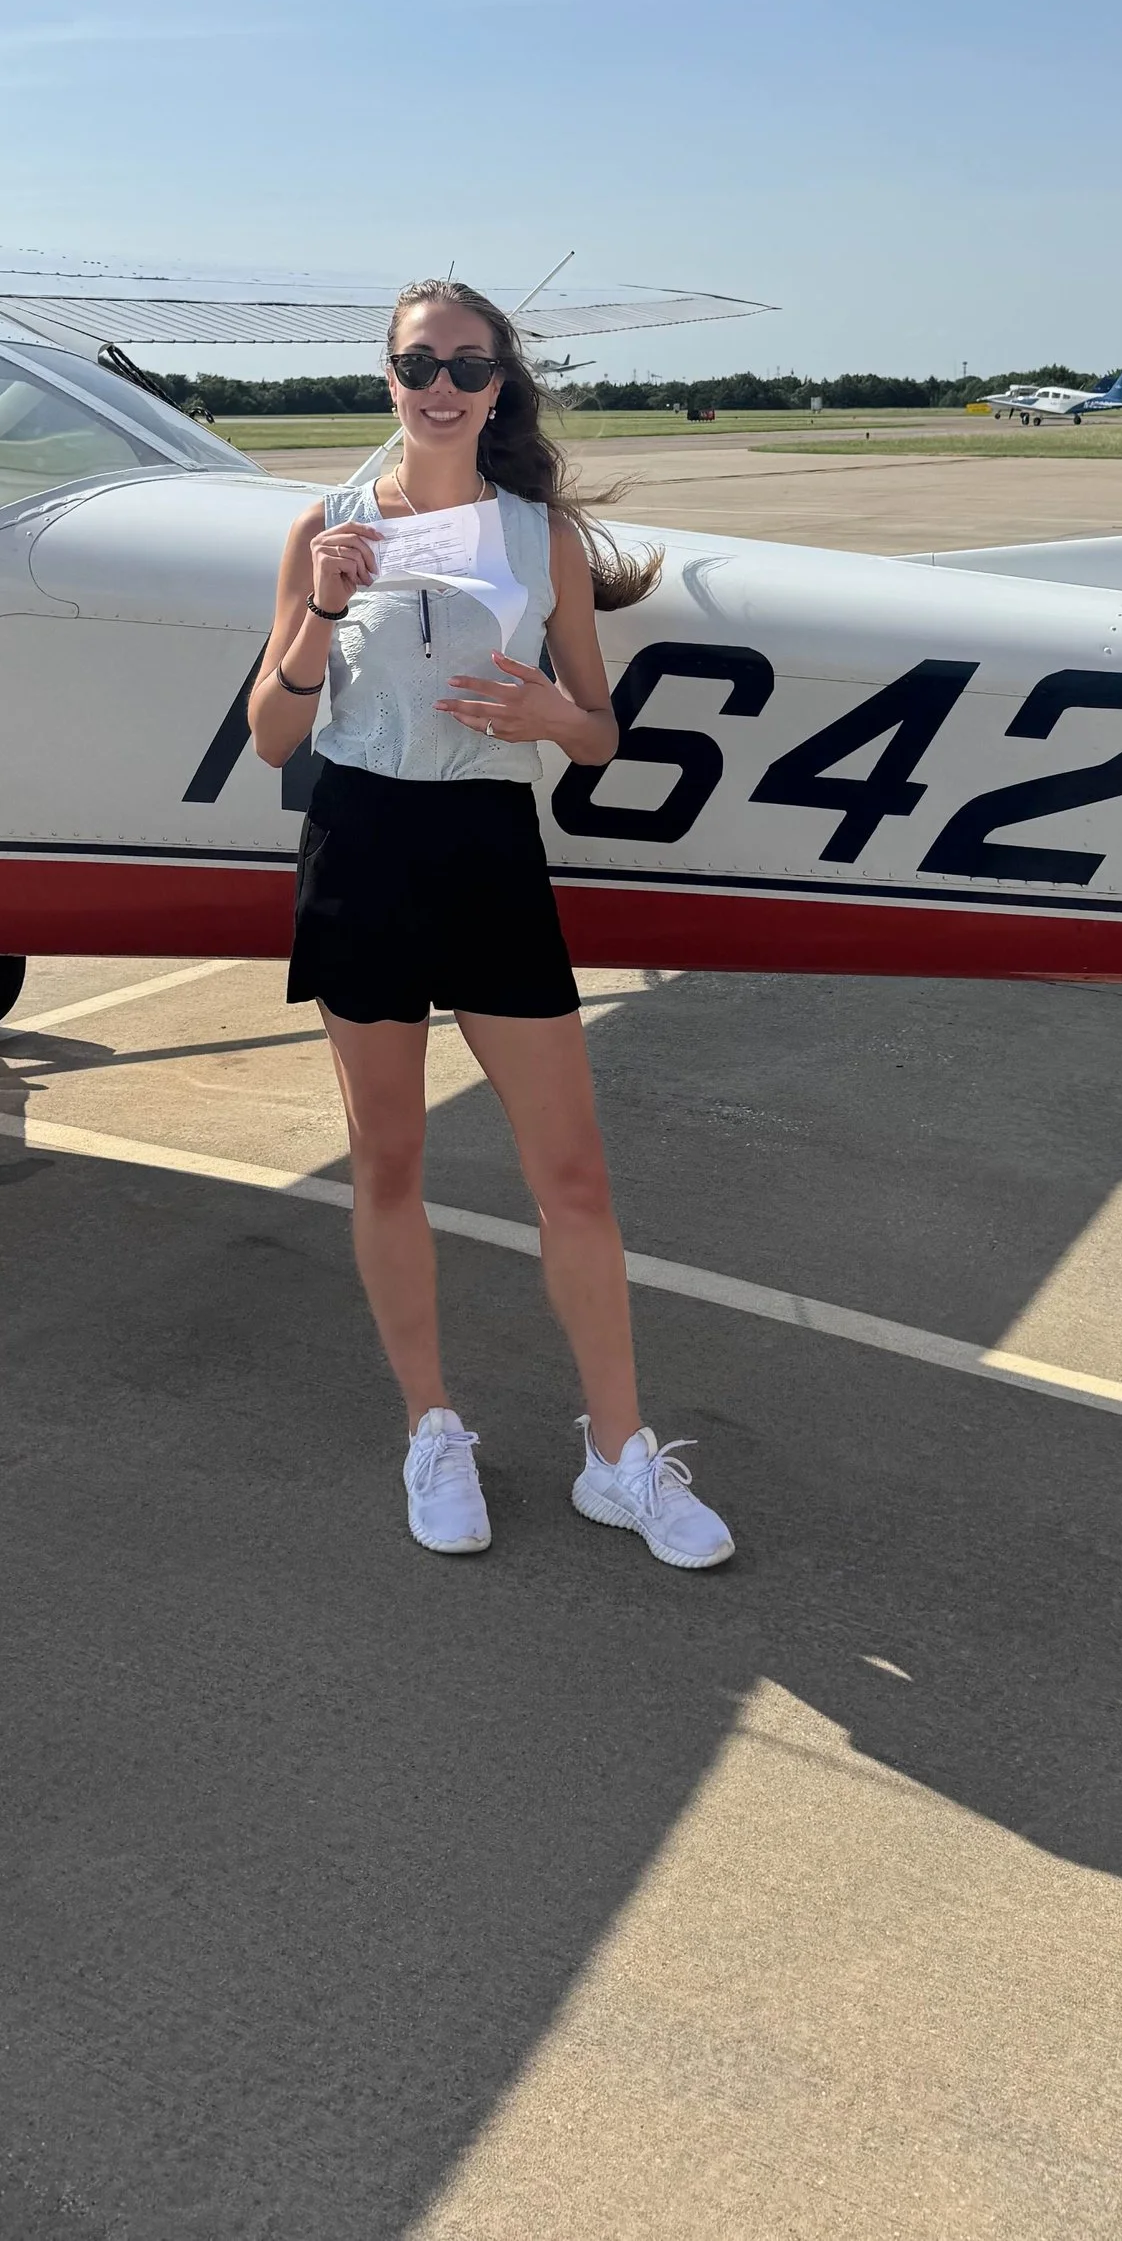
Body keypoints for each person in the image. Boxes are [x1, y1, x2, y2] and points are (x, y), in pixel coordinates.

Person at [249, 279, 735, 1570]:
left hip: (487, 850)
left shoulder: (542, 537)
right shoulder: (325, 525)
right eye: (420, 363)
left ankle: (619, 1456)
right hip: (360, 843)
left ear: (500, 380)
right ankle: (432, 1426)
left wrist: (551, 724)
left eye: (469, 364)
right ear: (389, 376)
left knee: (571, 1173)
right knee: (390, 1165)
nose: (443, 386)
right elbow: (271, 734)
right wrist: (321, 611)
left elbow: (600, 729)